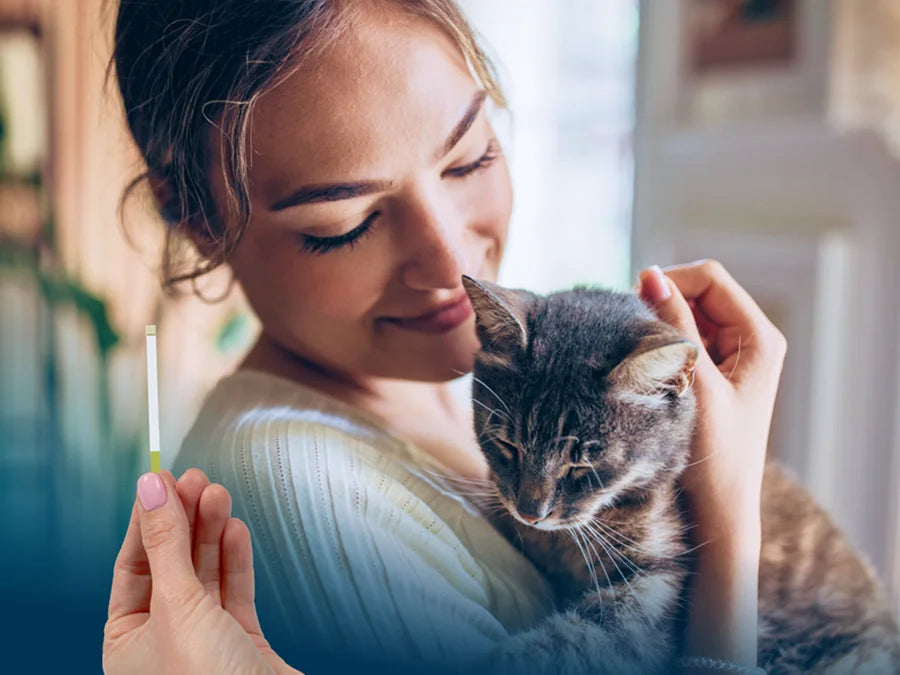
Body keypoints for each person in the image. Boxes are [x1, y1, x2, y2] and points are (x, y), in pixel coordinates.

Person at [103, 1, 786, 673]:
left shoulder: (470, 382)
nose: (449, 262)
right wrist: (728, 543)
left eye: (470, 159)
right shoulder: (295, 497)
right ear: (194, 216)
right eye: (344, 224)